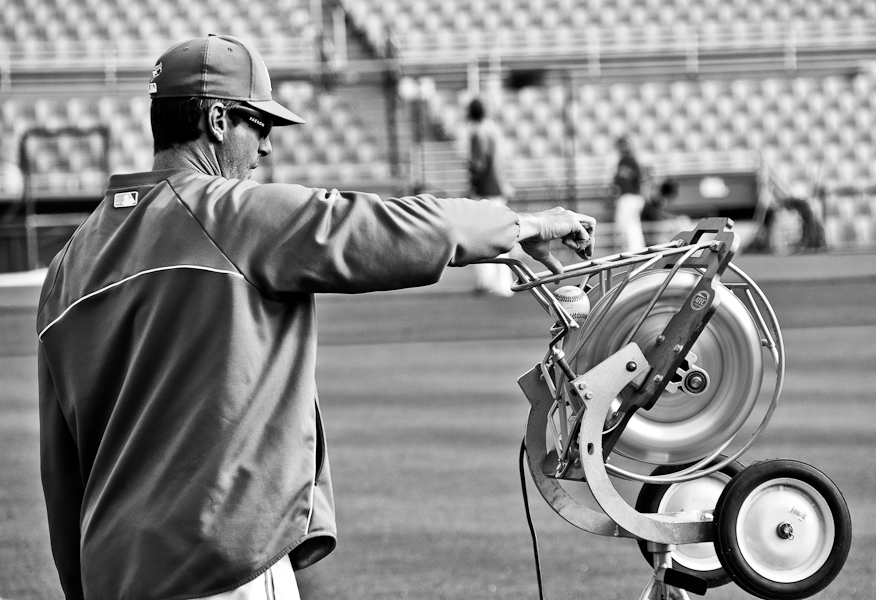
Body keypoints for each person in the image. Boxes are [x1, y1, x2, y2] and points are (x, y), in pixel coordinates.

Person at [36, 35, 596, 600]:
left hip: (112, 570)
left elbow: (60, 472)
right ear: (218, 119)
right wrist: (521, 226)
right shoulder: (229, 213)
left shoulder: (67, 266)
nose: (267, 150)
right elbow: (389, 228)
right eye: (262, 126)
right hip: (217, 565)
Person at [466, 97, 515, 297]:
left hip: (485, 190)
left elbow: (478, 165)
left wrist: (470, 187)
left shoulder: (479, 133)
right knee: (500, 234)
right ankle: (503, 282)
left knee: (477, 236)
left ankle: (487, 281)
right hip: (497, 189)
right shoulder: (494, 130)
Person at [612, 135, 646, 252]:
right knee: (632, 225)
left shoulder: (629, 161)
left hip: (630, 197)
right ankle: (636, 250)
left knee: (624, 225)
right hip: (632, 197)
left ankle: (631, 250)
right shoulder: (628, 161)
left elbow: (642, 179)